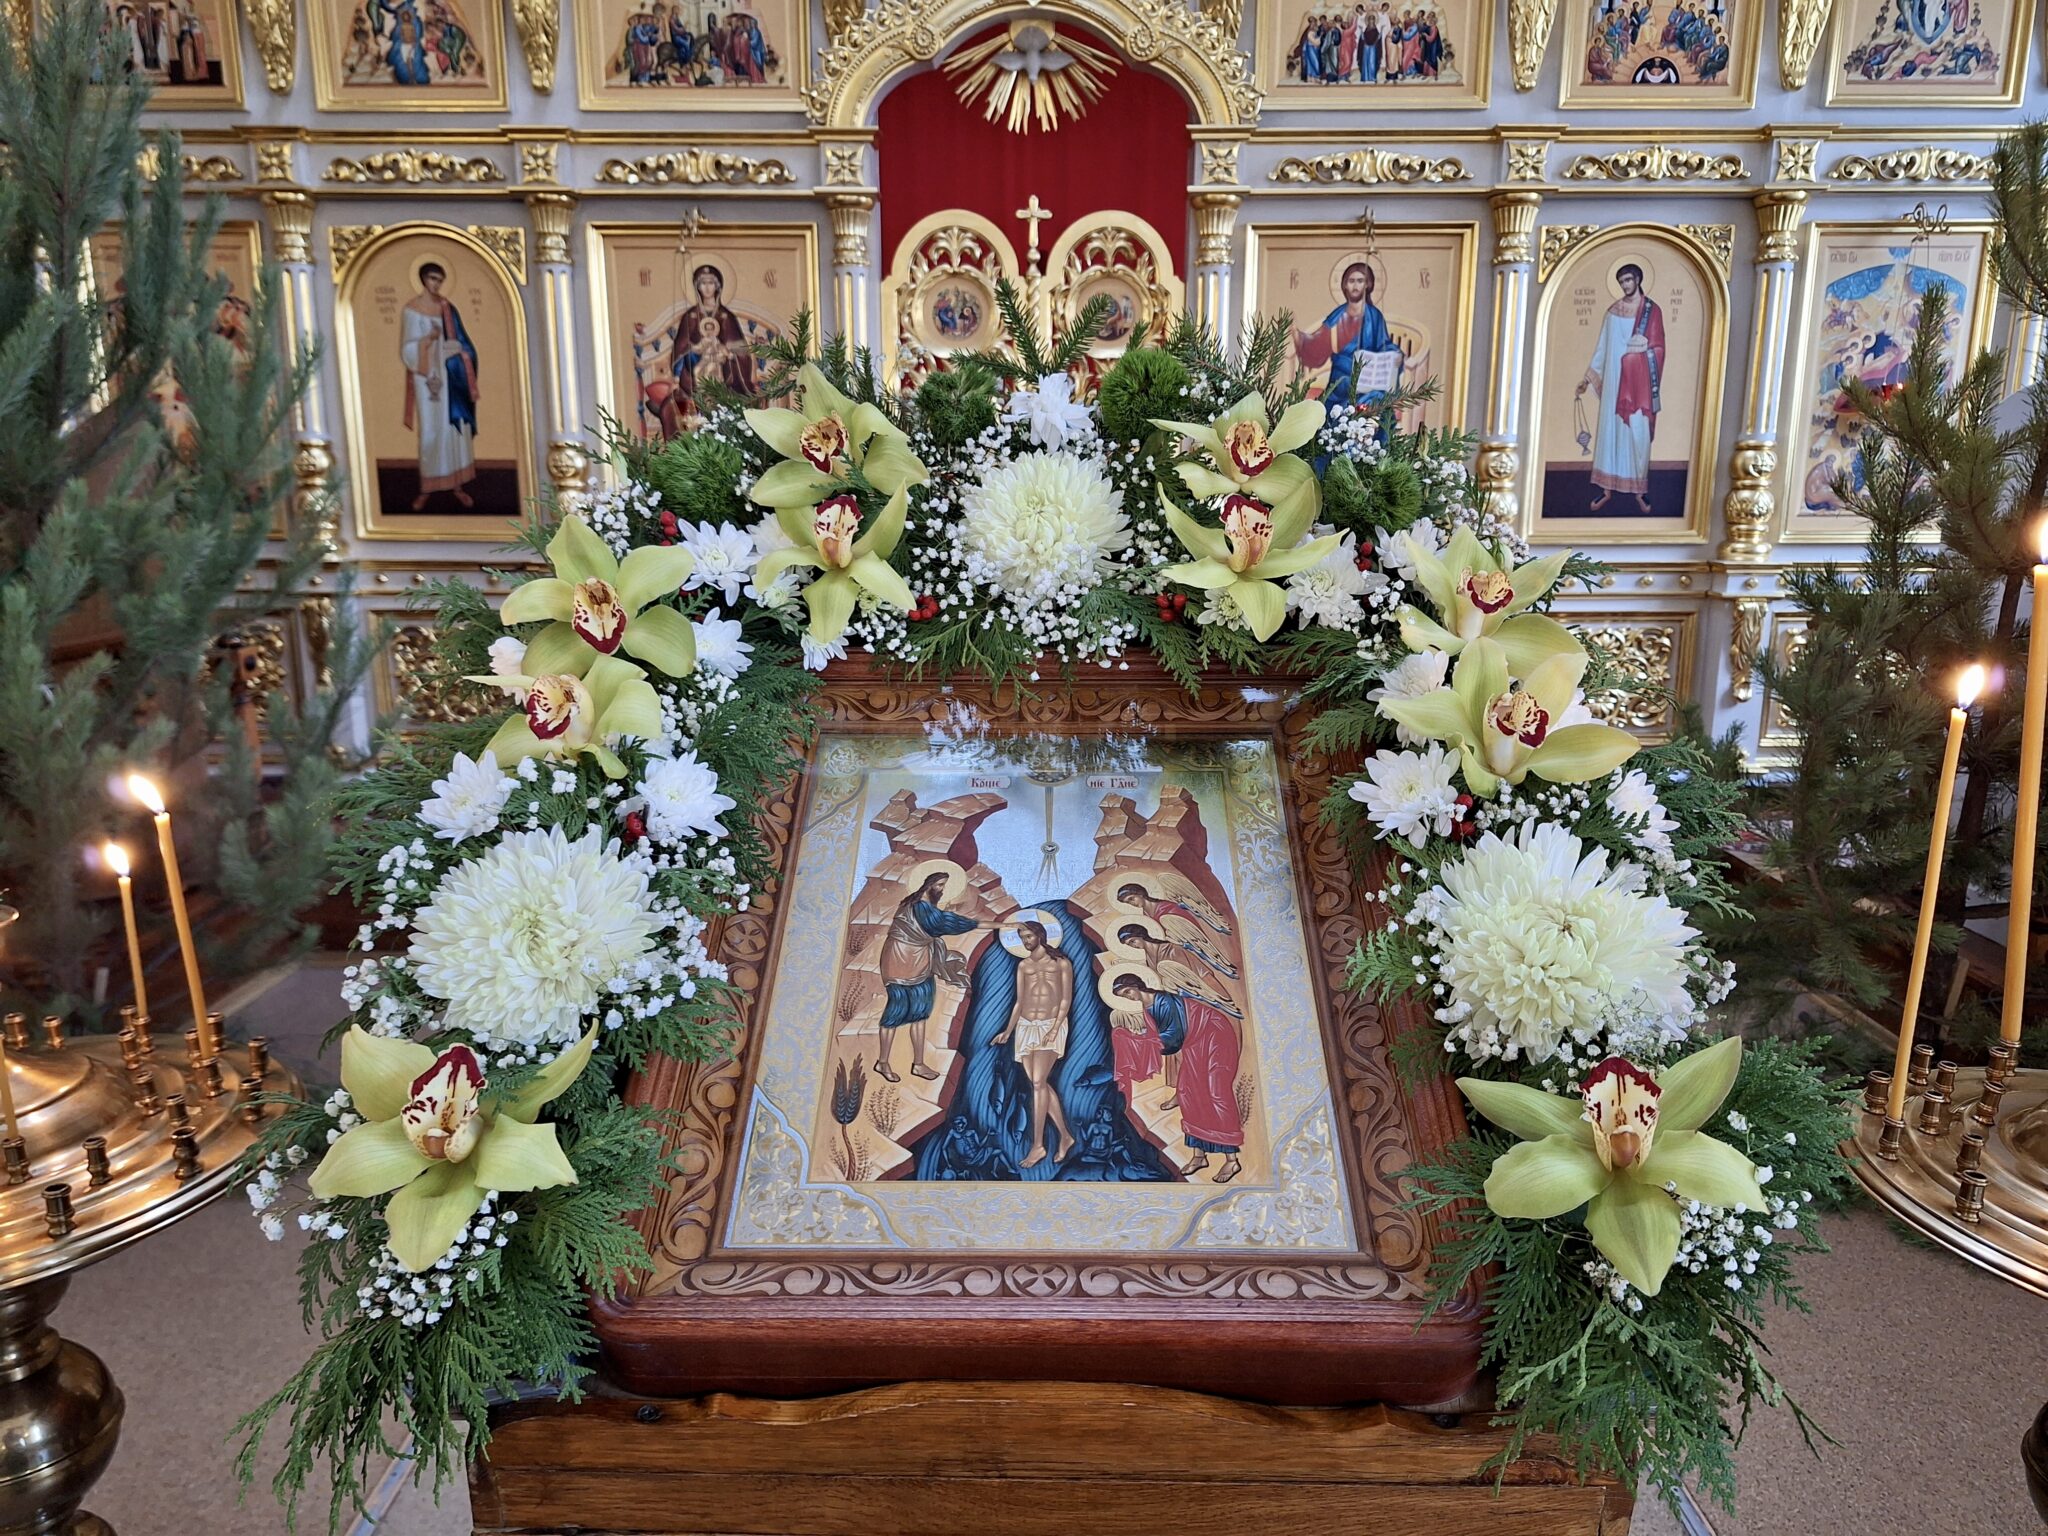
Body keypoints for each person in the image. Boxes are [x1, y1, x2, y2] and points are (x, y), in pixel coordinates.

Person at [1110, 974, 1245, 1183]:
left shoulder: (1165, 1001)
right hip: (1195, 1042)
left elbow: (1173, 1039)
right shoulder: (1147, 1008)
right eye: (1123, 996)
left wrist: (1143, 1043)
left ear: (1137, 985)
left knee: (1216, 1092)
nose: (1128, 997)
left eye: (1127, 991)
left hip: (1215, 1035)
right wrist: (1138, 1039)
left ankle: (1232, 1159)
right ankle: (1199, 1156)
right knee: (1188, 1093)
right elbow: (1158, 1035)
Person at [1575, 261, 1665, 514]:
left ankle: (1639, 491)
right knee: (1611, 431)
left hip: (1638, 385)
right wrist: (1587, 378)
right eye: (1621, 282)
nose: (1625, 285)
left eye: (1628, 280)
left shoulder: (1651, 311)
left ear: (1638, 280)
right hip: (1615, 383)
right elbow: (1602, 348)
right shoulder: (1612, 312)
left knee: (1638, 433)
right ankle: (1606, 488)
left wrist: (1645, 349)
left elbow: (1660, 347)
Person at [874, 870, 977, 1084]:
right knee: (895, 1013)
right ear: (929, 885)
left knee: (920, 1014)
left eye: (944, 886)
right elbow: (943, 923)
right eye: (940, 885)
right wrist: (982, 924)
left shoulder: (923, 905)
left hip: (922, 963)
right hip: (900, 962)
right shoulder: (919, 906)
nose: (942, 890)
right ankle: (882, 1062)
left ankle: (918, 1064)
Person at [991, 922, 1075, 1168]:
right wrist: (1008, 1031)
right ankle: (1065, 1136)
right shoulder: (1024, 966)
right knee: (1040, 1084)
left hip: (1050, 1025)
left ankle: (1038, 1145)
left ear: (1040, 935)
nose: (1026, 941)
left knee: (1038, 1083)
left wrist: (1055, 1029)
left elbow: (1065, 999)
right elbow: (1020, 1001)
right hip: (1026, 1026)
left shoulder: (1061, 963)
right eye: (1022, 937)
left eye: (1029, 936)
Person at [401, 262, 478, 510]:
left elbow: (463, 342)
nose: (437, 284)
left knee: (453, 432)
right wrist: (427, 340)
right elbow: (407, 350)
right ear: (423, 279)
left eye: (440, 280)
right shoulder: (411, 310)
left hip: (450, 377)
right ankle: (427, 487)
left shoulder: (447, 308)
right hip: (426, 379)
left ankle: (457, 485)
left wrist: (459, 353)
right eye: (433, 279)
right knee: (430, 432)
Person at [660, 263, 758, 438]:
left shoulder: (727, 317)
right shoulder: (690, 317)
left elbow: (741, 352)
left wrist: (728, 354)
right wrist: (694, 350)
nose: (707, 287)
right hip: (693, 380)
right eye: (703, 283)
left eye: (711, 283)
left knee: (740, 406)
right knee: (670, 406)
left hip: (726, 381)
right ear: (697, 287)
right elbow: (680, 349)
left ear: (718, 286)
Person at [1294, 260, 1398, 411]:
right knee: (1339, 406)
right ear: (1345, 285)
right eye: (1351, 281)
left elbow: (1384, 345)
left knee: (1376, 398)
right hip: (1340, 381)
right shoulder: (1336, 317)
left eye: (1360, 281)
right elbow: (1318, 344)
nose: (1355, 286)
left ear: (1367, 285)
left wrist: (1394, 354)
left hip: (1368, 378)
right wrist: (1298, 336)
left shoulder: (1375, 316)